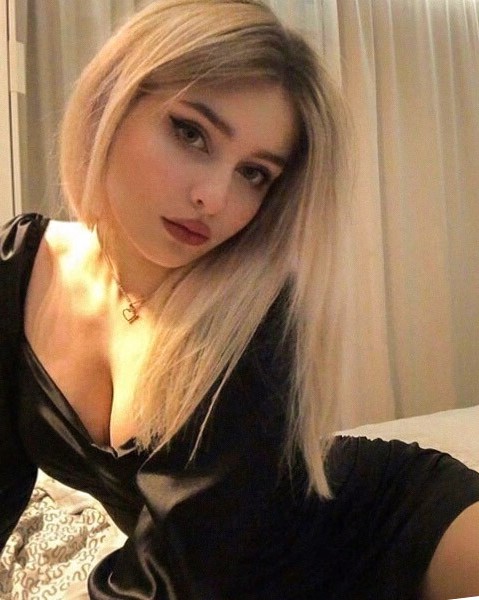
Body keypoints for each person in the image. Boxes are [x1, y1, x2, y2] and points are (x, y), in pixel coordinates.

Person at [0, 0, 478, 598]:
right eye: (191, 133)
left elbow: (174, 585)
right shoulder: (19, 268)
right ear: (111, 102)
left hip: (375, 527)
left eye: (254, 173)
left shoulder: (252, 316)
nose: (214, 197)